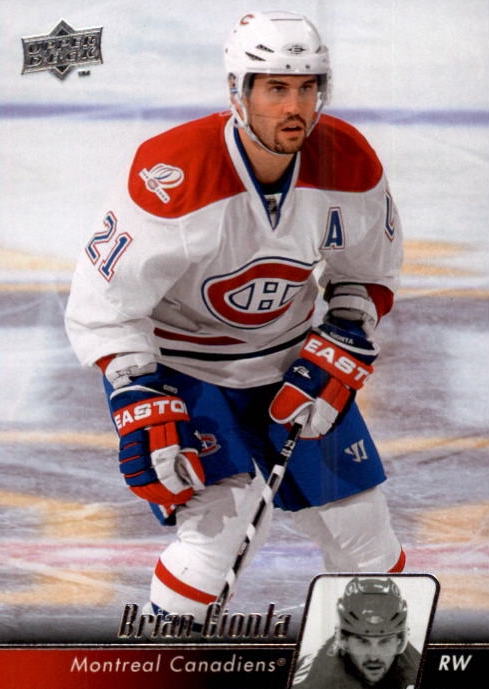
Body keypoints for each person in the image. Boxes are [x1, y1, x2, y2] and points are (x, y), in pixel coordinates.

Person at [65, 10, 405, 627]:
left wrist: (346, 332)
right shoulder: (172, 175)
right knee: (219, 532)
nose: (294, 107)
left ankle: (362, 662)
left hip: (290, 363)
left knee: (366, 538)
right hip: (185, 366)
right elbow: (105, 306)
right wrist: (137, 392)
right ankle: (169, 659)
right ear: (237, 92)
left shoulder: (349, 160)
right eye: (276, 88)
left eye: (307, 87)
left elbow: (366, 272)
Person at [294, 577, 421, 689]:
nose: (374, 656)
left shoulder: (415, 667)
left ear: (399, 641)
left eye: (385, 641)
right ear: (344, 641)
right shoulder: (316, 678)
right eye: (363, 641)